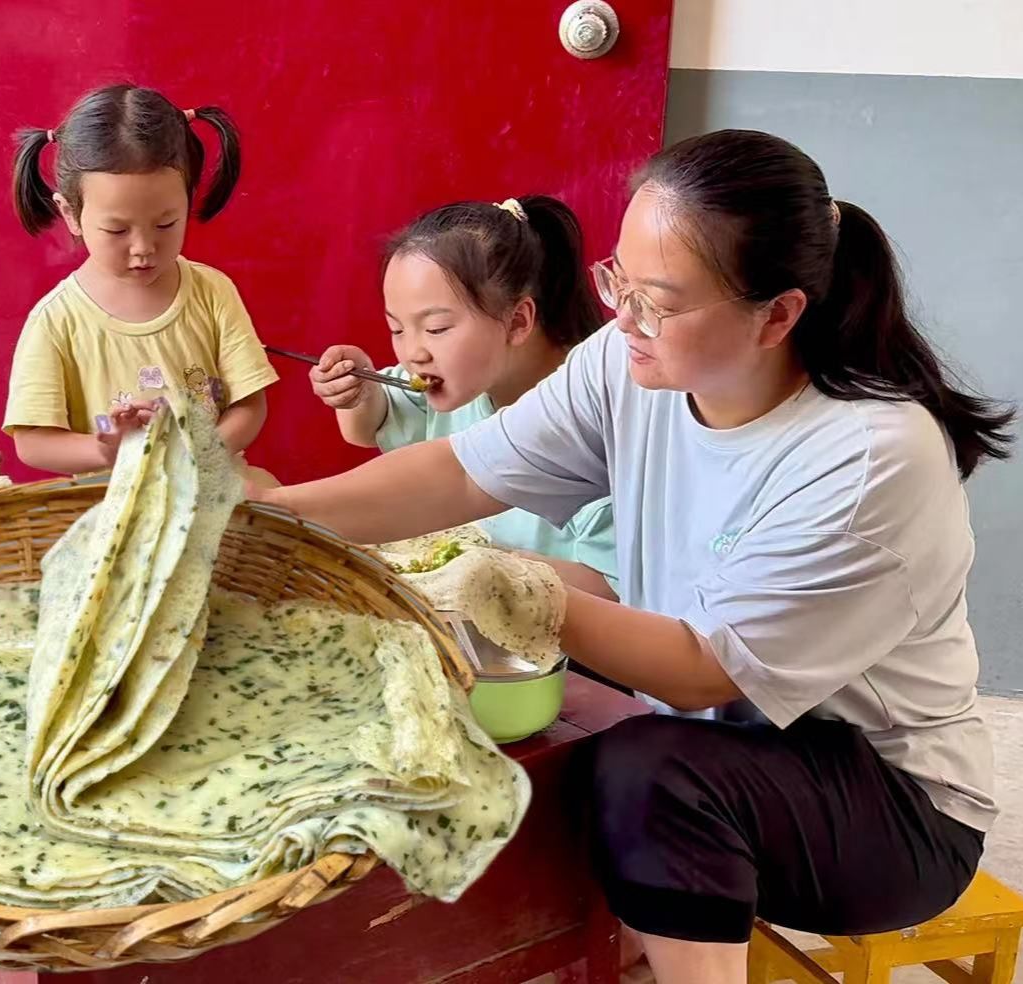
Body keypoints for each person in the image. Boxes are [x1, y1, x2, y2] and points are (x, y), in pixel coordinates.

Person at [257, 129, 1012, 984]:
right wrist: (272, 516)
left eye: (659, 300)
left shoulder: (870, 457)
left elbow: (701, 671)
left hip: (888, 802)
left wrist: (521, 590)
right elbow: (462, 471)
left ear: (778, 314)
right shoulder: (628, 362)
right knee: (543, 755)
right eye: (618, 281)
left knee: (645, 774)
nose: (625, 318)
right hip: (718, 735)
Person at [306, 196, 615, 598]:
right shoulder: (464, 378)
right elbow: (367, 427)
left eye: (435, 329)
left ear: (518, 321)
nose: (413, 352)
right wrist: (357, 390)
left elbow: (613, 588)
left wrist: (473, 567)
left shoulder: (591, 421)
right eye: (397, 329)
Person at [2, 84, 277, 476]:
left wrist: (197, 451)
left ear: (188, 199)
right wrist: (106, 452)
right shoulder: (57, 319)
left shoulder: (212, 291)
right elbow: (32, 441)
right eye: (117, 230)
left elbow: (250, 405)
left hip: (212, 486)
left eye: (166, 224)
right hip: (110, 505)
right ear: (70, 214)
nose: (143, 247)